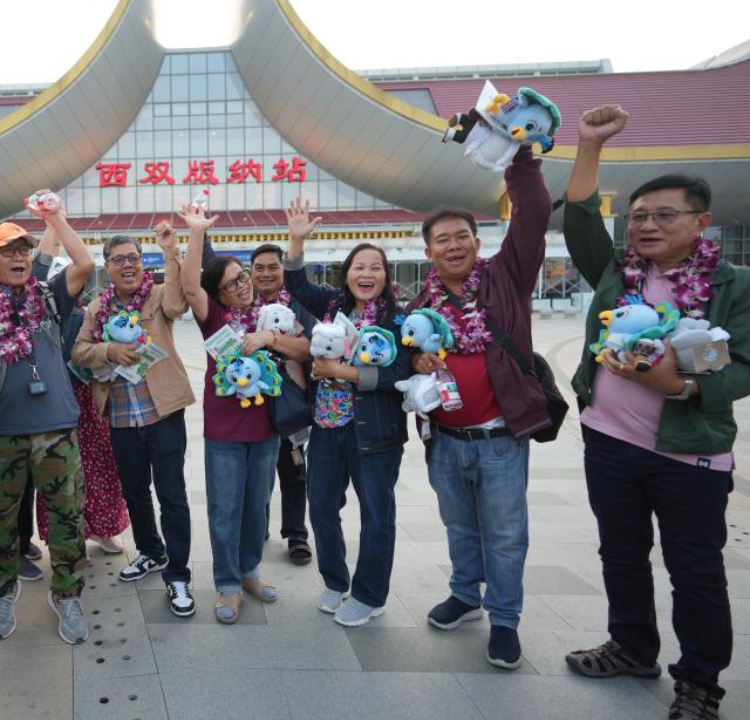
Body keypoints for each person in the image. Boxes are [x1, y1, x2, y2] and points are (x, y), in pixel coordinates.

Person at [560, 105, 749, 720]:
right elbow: (583, 222)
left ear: (702, 222)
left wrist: (683, 387)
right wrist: (588, 146)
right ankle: (632, 646)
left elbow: (743, 365)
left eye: (664, 215)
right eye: (639, 215)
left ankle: (700, 682)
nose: (647, 225)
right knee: (620, 552)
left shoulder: (733, 285)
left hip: (689, 451)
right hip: (609, 442)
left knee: (695, 571)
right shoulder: (619, 274)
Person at [407, 145, 551, 669]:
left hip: (501, 438)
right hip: (445, 441)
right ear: (429, 253)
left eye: (461, 237)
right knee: (460, 527)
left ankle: (505, 619)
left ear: (477, 242)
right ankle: (466, 594)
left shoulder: (506, 276)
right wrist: (415, 362)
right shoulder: (420, 306)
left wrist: (523, 165)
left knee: (507, 533)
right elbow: (404, 356)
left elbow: (533, 217)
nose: (453, 245)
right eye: (442, 240)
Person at [0, 168, 95, 644]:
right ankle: (0, 593)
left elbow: (83, 263)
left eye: (23, 250)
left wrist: (55, 217)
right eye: (6, 251)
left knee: (68, 515)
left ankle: (68, 593)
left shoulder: (48, 297)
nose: (18, 257)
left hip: (56, 427)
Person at [178, 204, 310, 623]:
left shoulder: (269, 314)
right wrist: (196, 232)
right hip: (225, 433)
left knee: (257, 506)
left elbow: (305, 349)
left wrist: (269, 335)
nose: (243, 285)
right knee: (225, 509)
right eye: (232, 282)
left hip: (267, 429)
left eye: (244, 277)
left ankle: (250, 569)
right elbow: (190, 284)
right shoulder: (212, 317)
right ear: (218, 293)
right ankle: (228, 584)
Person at [284, 205, 411, 627]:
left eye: (376, 267)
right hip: (326, 428)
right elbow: (296, 282)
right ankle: (336, 581)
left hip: (375, 433)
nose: (367, 273)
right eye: (359, 266)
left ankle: (370, 594)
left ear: (386, 276)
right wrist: (298, 238)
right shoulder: (331, 306)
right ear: (347, 274)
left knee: (377, 514)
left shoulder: (398, 320)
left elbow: (398, 373)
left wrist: (344, 372)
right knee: (320, 506)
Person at [71, 222, 197, 617]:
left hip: (163, 413)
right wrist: (109, 350)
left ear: (143, 264)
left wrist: (170, 251)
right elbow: (79, 350)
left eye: (134, 259)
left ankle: (178, 574)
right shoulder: (98, 307)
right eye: (119, 259)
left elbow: (180, 305)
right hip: (122, 419)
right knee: (136, 492)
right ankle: (150, 551)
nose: (128, 265)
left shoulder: (157, 296)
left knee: (172, 496)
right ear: (106, 267)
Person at [32, 228, 131, 563]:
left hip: (87, 401)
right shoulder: (34, 311)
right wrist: (51, 225)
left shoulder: (89, 312)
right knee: (56, 471)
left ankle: (104, 527)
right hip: (47, 403)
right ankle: (68, 536)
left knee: (101, 464)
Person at [248, 243, 313, 564]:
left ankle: (296, 534)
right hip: (252, 401)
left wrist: (273, 341)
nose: (265, 273)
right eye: (259, 267)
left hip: (289, 402)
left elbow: (307, 349)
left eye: (272, 267)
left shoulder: (297, 306)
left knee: (294, 469)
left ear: (283, 271)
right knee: (257, 471)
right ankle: (258, 526)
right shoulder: (242, 305)